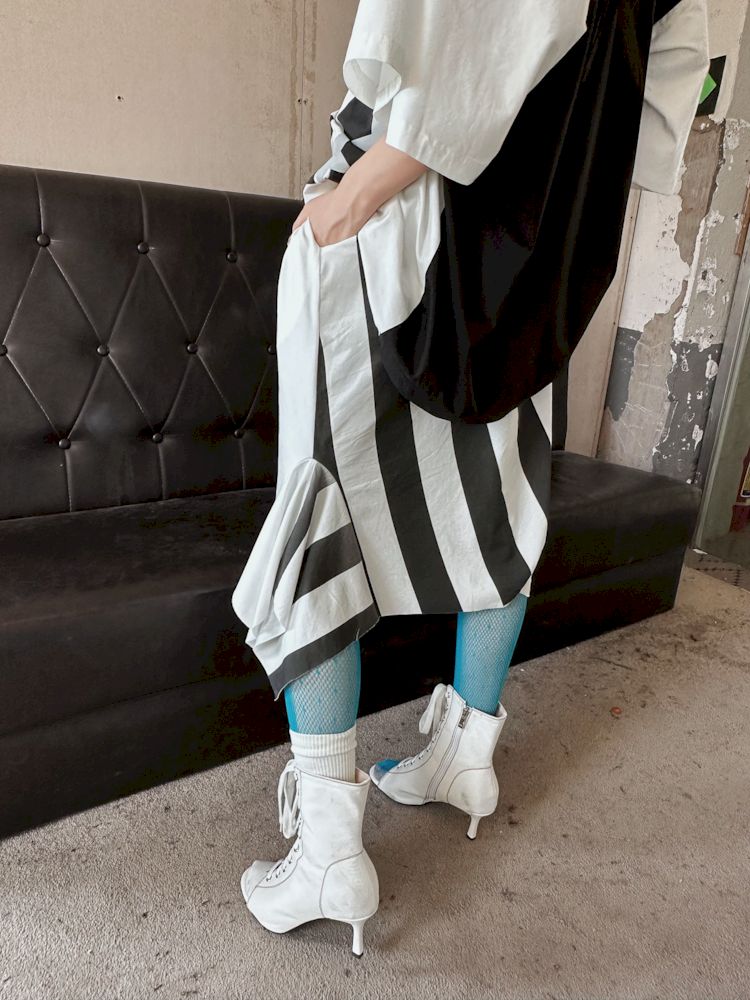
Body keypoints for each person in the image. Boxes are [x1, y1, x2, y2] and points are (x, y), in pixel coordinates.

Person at [231, 0, 710, 957]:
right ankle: (465, 759)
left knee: (323, 514)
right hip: (524, 266)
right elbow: (651, 111)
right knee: (501, 508)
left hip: (393, 232)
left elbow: (470, 47)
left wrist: (348, 202)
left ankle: (330, 851)